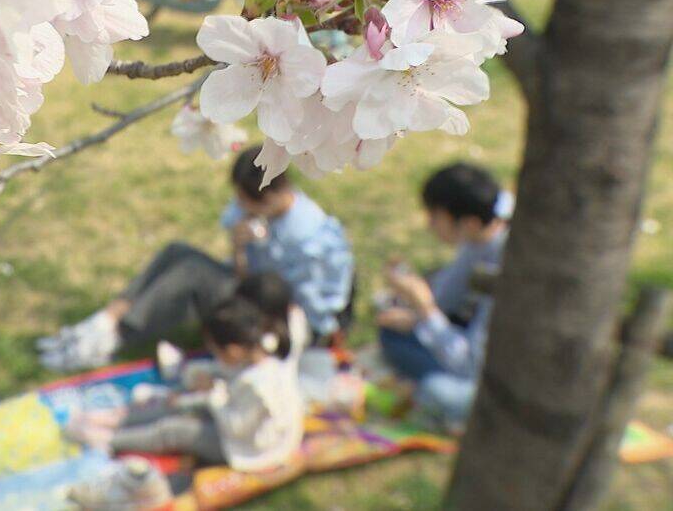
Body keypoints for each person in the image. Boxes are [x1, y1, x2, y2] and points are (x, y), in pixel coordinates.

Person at [38, 145, 354, 371]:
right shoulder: (258, 211)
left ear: (270, 197)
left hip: (280, 318)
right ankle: (105, 322)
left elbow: (309, 308)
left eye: (245, 202)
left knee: (192, 274)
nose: (239, 208)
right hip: (251, 289)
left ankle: (113, 338)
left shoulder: (311, 239)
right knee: (178, 251)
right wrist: (239, 247)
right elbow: (243, 270)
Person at [65, 286, 309, 472]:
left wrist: (212, 395)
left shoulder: (257, 385)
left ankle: (109, 440)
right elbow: (225, 387)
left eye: (216, 351)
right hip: (237, 418)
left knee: (176, 430)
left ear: (234, 350)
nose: (216, 357)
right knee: (178, 403)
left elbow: (235, 426)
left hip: (250, 447)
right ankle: (116, 419)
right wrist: (203, 390)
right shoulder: (259, 355)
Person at [376, 162, 512, 431]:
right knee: (392, 330)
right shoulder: (479, 238)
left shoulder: (503, 268)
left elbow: (470, 365)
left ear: (469, 223)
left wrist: (425, 310)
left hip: (491, 375)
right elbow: (447, 294)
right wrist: (416, 313)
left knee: (437, 391)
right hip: (466, 334)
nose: (429, 225)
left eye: (434, 216)